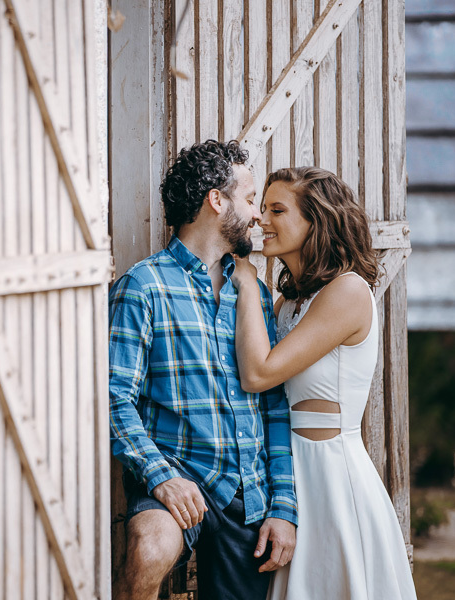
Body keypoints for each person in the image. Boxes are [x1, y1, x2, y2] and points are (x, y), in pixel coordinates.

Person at [109, 140, 297, 600]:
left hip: (245, 488)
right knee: (150, 550)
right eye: (250, 199)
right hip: (176, 473)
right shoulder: (144, 286)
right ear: (217, 200)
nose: (257, 215)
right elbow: (114, 397)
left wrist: (284, 506)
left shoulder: (248, 293)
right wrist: (160, 477)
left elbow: (274, 404)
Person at [232, 166, 418, 599]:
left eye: (277, 209)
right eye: (261, 209)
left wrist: (245, 283)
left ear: (318, 219)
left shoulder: (348, 291)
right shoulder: (286, 302)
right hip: (287, 473)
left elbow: (258, 373)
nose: (261, 220)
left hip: (332, 478)